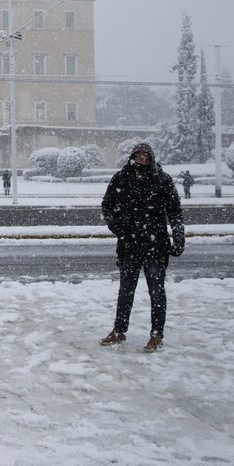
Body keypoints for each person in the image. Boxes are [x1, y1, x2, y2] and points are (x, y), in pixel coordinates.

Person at [99, 143, 184, 353]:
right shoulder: (121, 178)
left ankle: (157, 334)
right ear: (133, 157)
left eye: (146, 155)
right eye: (139, 155)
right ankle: (119, 329)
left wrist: (179, 236)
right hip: (129, 244)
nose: (143, 159)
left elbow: (175, 210)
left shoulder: (162, 180)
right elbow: (107, 204)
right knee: (126, 290)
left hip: (156, 245)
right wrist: (117, 227)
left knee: (156, 291)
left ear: (151, 158)